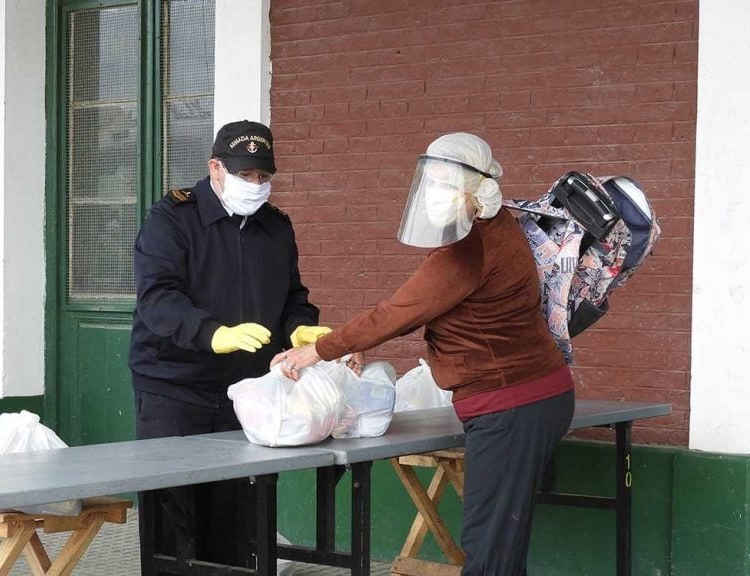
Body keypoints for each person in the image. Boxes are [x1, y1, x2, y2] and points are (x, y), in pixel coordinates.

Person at [274, 133, 575, 576]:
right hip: (529, 397)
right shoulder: (495, 225)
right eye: (429, 183)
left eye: (444, 185)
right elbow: (422, 308)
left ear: (478, 189)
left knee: (489, 552)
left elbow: (398, 311)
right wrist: (361, 343)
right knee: (500, 547)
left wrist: (314, 352)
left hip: (512, 404)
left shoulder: (469, 249)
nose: (434, 195)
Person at [127, 120, 332, 570]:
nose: (255, 185)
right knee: (173, 516)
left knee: (236, 514)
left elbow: (293, 295)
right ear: (215, 168)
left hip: (245, 390)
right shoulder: (173, 219)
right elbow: (157, 297)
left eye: (263, 176)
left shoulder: (275, 227)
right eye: (245, 175)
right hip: (174, 388)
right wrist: (211, 334)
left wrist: (300, 327)